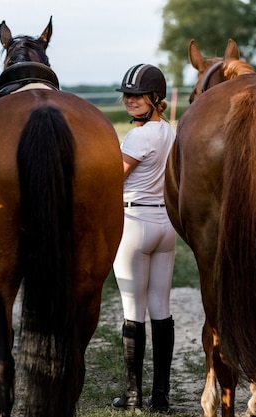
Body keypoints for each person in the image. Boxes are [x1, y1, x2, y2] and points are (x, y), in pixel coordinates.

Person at [111, 64, 177, 413]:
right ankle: (161, 397)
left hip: (135, 222)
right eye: (127, 94)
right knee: (161, 309)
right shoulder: (169, 131)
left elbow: (114, 179)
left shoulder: (138, 137)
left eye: (137, 95)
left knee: (133, 311)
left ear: (155, 98)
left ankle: (134, 397)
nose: (130, 100)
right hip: (165, 225)